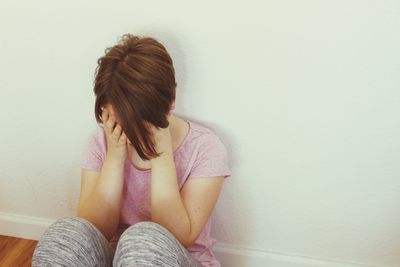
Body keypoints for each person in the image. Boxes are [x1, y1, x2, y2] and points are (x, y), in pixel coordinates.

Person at [32, 33, 232, 267]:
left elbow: (181, 236)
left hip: (172, 257)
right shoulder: (101, 142)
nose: (127, 130)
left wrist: (161, 155)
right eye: (116, 119)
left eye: (138, 121)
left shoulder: (205, 148)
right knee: (65, 236)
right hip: (115, 258)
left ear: (170, 104)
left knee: (142, 243)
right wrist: (115, 156)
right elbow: (93, 232)